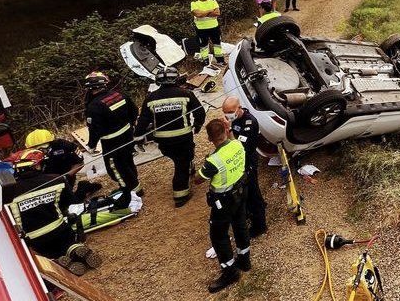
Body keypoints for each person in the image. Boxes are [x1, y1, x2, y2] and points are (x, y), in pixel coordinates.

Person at [4, 150, 100, 276]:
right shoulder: (56, 180)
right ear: (37, 166)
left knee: (47, 253)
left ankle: (57, 261)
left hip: (34, 239)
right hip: (60, 229)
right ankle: (73, 249)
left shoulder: (8, 192)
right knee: (68, 243)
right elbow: (70, 202)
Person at [134, 65, 205, 207]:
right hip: (183, 138)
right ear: (176, 78)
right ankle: (180, 195)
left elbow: (143, 121)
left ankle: (189, 167)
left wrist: (138, 138)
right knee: (181, 165)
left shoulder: (150, 98)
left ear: (158, 81)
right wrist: (197, 125)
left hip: (164, 142)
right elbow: (200, 112)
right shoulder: (185, 94)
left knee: (181, 160)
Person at [194, 118, 250, 292]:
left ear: (209, 139)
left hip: (223, 201)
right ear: (226, 131)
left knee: (218, 236)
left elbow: (197, 180)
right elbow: (231, 138)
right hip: (241, 191)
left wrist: (204, 164)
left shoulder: (213, 161)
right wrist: (229, 128)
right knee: (240, 225)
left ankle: (230, 271)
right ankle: (244, 260)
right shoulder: (237, 144)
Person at [84, 71, 141, 210]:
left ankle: (129, 191)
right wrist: (131, 126)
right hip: (127, 136)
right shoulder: (119, 94)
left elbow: (94, 129)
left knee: (115, 168)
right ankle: (135, 186)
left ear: (90, 88)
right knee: (128, 161)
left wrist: (91, 145)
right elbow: (134, 111)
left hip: (111, 143)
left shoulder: (93, 106)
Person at [222, 96, 266, 236]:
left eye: (230, 112)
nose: (228, 115)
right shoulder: (233, 120)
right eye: (225, 112)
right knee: (243, 192)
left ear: (238, 108)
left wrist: (229, 130)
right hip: (238, 162)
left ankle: (260, 225)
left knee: (252, 192)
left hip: (248, 161)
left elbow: (241, 147)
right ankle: (249, 211)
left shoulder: (249, 122)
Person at [190, 0, 224, 65]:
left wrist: (203, 13)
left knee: (217, 44)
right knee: (203, 45)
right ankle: (205, 61)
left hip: (214, 27)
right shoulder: (194, 3)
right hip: (201, 28)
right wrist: (210, 11)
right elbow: (198, 14)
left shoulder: (213, 2)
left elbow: (217, 13)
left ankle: (220, 60)